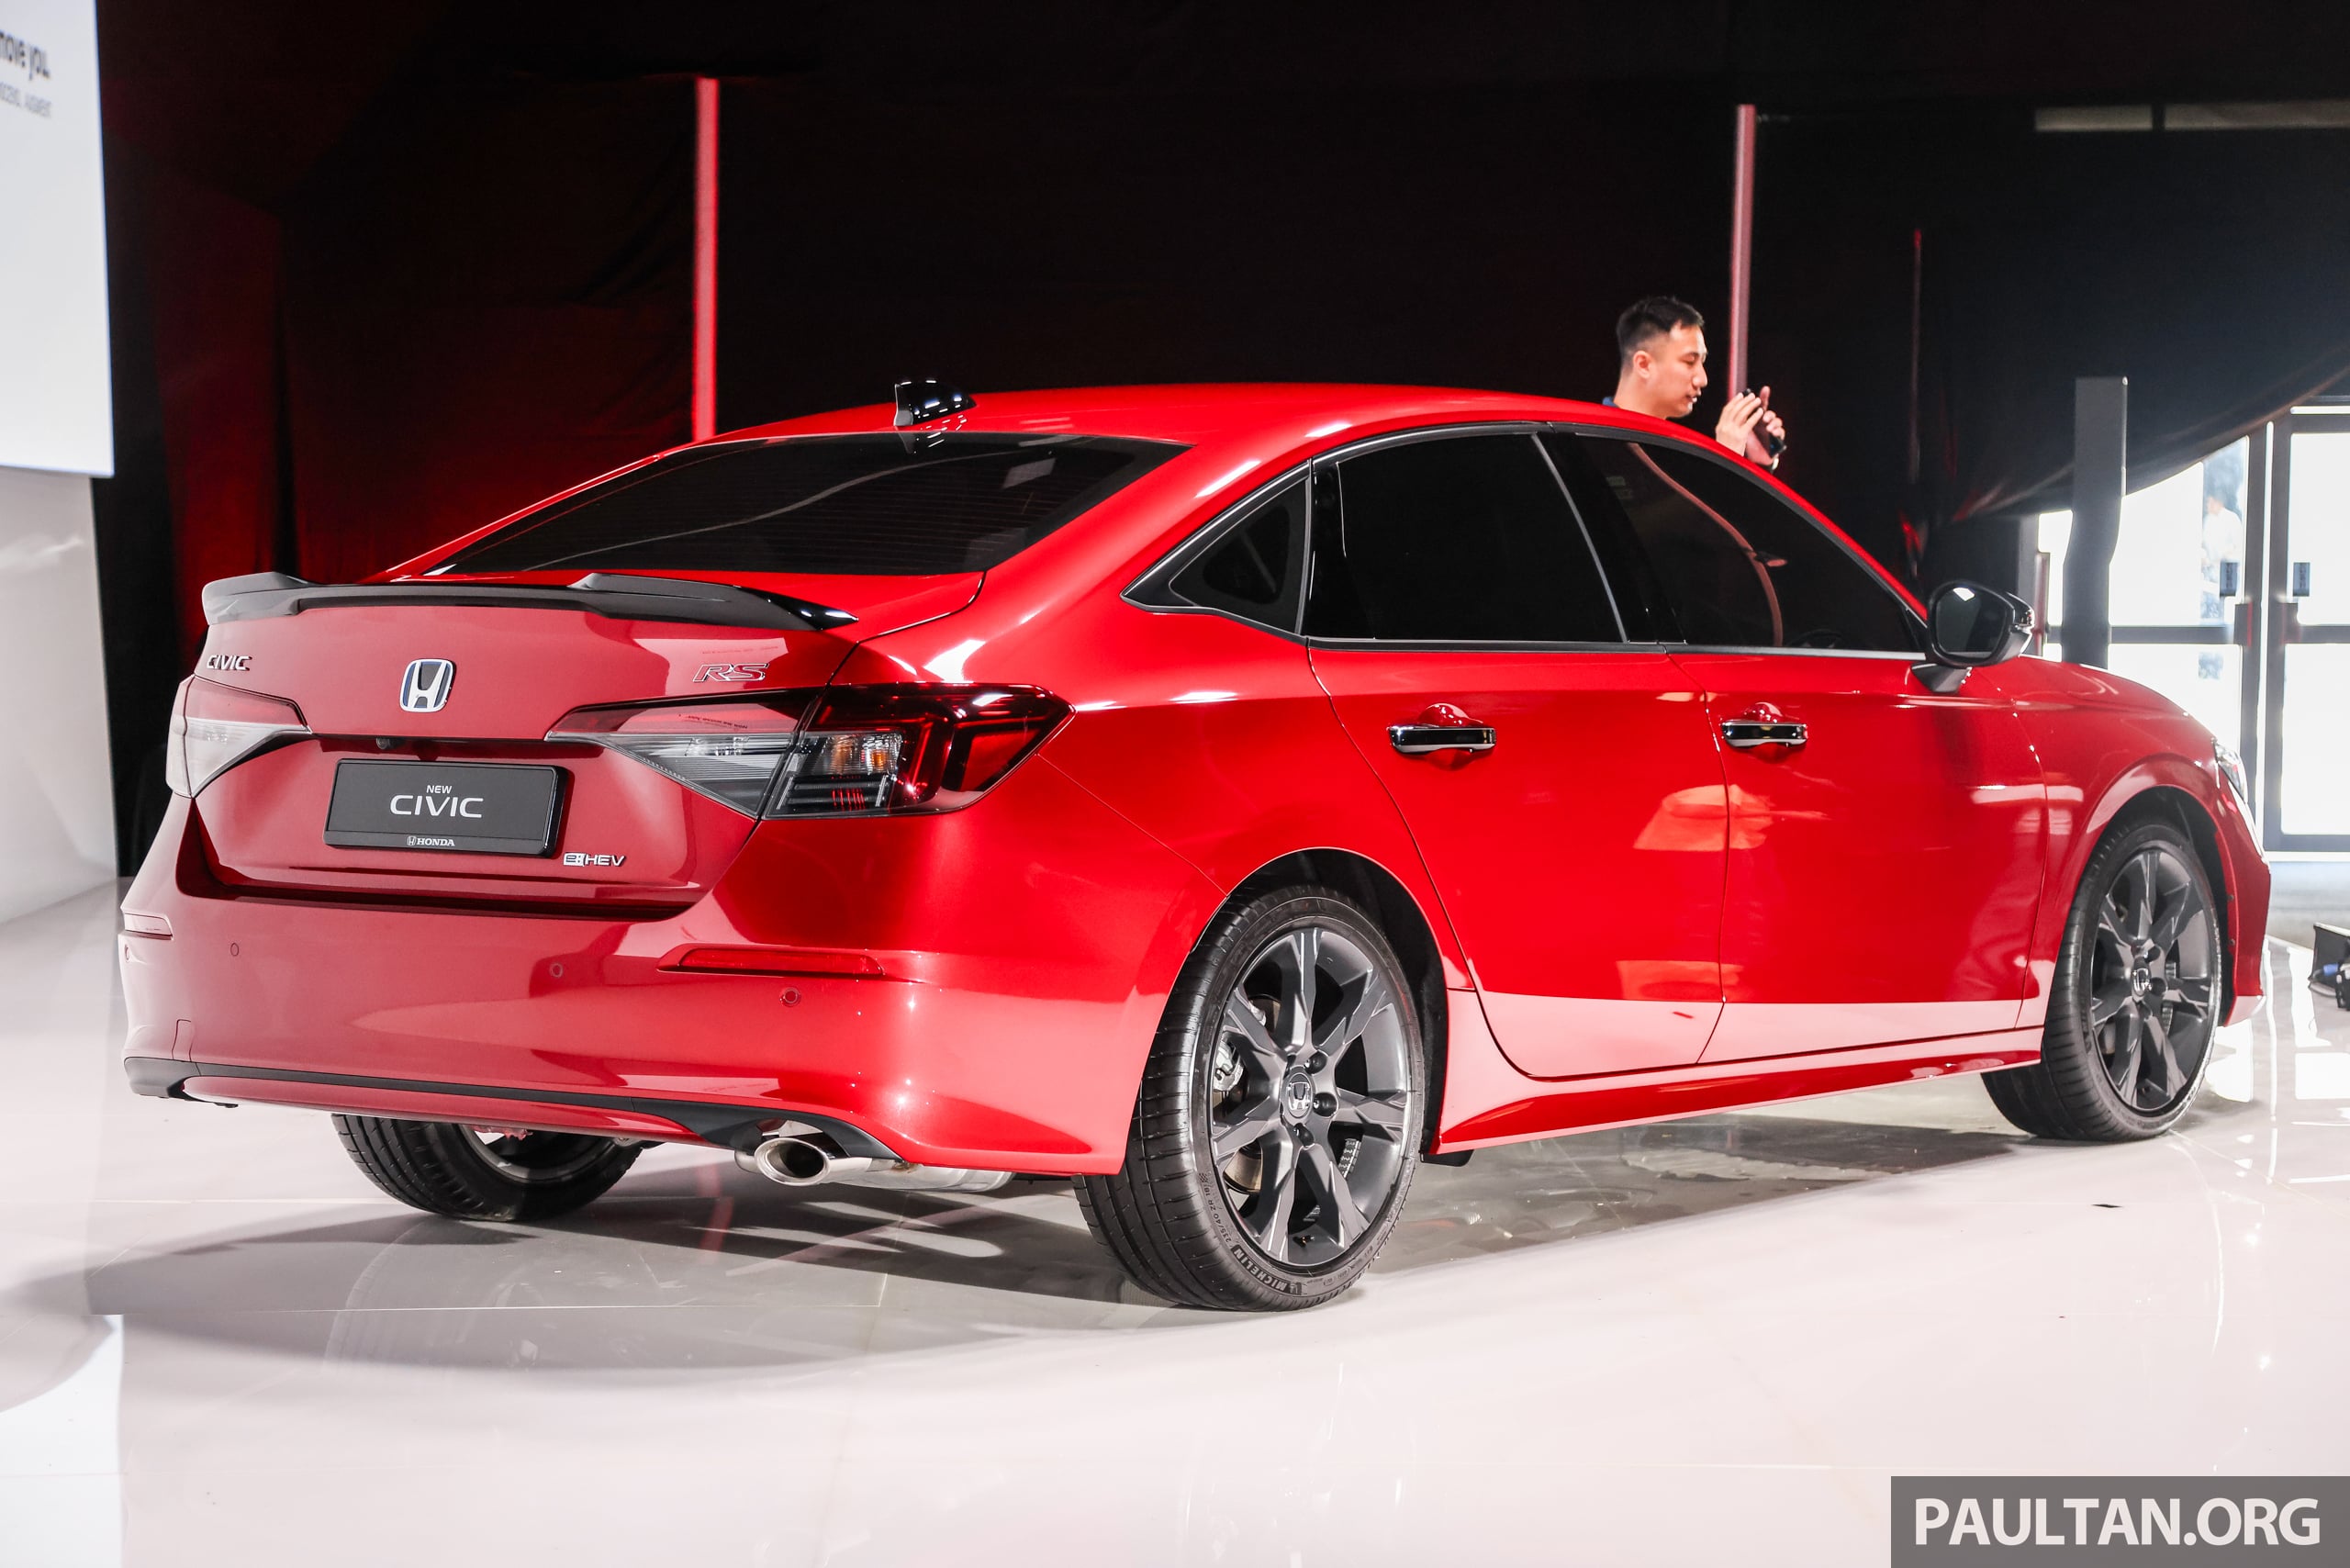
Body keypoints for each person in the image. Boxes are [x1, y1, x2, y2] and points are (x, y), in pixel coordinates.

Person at [1607, 295, 1785, 468]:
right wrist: (1725, 460)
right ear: (1644, 364)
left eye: (1702, 362)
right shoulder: (1599, 446)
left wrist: (1756, 464)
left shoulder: (1677, 452)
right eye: (1689, 361)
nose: (1703, 379)